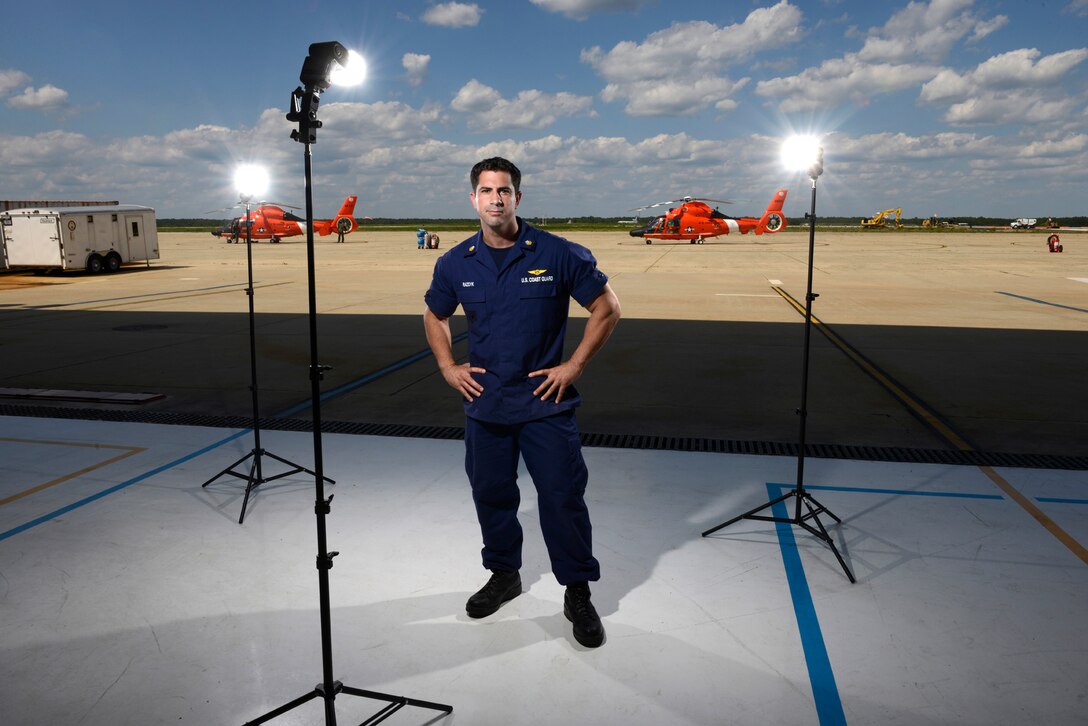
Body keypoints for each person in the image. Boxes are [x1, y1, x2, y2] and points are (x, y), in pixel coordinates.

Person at [423, 157, 621, 648]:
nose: (495, 198)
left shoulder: (557, 253)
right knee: (491, 495)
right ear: (473, 199)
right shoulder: (455, 262)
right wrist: (448, 367)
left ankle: (577, 591)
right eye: (486, 191)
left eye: (504, 190)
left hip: (544, 407)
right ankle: (504, 574)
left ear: (518, 197)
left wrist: (573, 366)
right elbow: (434, 314)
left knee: (561, 499)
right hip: (486, 408)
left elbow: (607, 308)